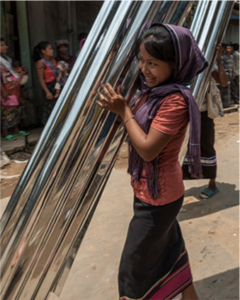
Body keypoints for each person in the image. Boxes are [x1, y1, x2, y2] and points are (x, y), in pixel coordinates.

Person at [97, 24, 208, 300]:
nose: (144, 69)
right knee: (171, 253)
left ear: (175, 64)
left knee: (132, 271)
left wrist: (124, 110)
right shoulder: (152, 91)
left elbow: (147, 150)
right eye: (141, 60)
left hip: (159, 199)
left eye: (153, 63)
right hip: (151, 192)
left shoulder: (175, 101)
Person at [183, 44, 228, 199]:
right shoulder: (182, 67)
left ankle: (212, 184)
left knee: (207, 147)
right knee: (181, 149)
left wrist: (218, 61)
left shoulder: (207, 68)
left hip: (203, 114)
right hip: (184, 114)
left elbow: (223, 83)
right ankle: (177, 185)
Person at [1, 38, 28, 140]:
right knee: (7, 110)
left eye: (5, 45)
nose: (5, 47)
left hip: (15, 87)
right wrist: (3, 91)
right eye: (2, 45)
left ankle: (16, 129)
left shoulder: (8, 59)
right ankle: (5, 132)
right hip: (5, 88)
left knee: (17, 107)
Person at [33, 41, 59, 125]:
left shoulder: (53, 60)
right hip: (49, 86)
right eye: (49, 49)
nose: (52, 51)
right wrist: (47, 91)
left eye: (52, 49)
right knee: (49, 107)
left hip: (56, 85)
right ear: (43, 51)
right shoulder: (41, 63)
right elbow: (41, 78)